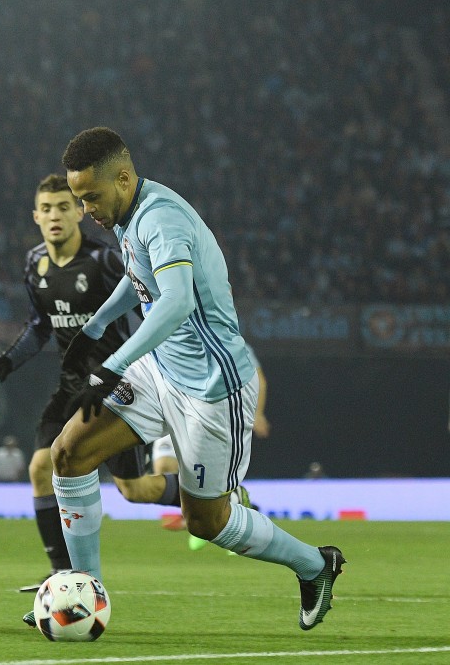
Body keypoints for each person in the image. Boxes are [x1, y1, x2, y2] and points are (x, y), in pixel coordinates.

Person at [27, 127, 344, 630]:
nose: (86, 209)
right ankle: (84, 589)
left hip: (213, 388)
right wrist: (96, 325)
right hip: (161, 369)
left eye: (91, 196)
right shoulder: (128, 216)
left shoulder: (161, 220)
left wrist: (109, 365)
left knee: (207, 522)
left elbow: (175, 301)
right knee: (69, 453)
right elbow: (141, 283)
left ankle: (315, 565)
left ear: (124, 178)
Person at [0, 173, 184, 592]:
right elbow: (41, 325)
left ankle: (200, 493)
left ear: (79, 212)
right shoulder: (34, 263)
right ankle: (63, 574)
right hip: (71, 385)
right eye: (47, 208)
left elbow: (145, 293)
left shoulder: (105, 260)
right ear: (36, 216)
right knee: (40, 467)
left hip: (116, 385)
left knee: (134, 490)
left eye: (64, 206)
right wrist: (8, 361)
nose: (55, 215)